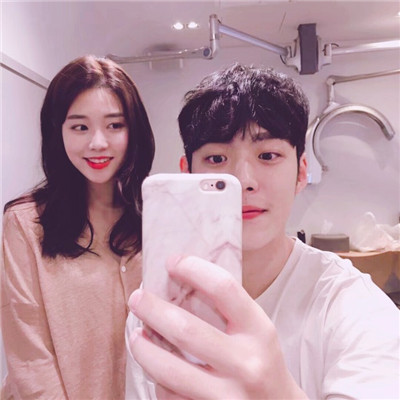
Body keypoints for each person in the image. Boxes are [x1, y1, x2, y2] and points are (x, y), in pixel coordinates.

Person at [125, 63, 399, 399]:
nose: (244, 181)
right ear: (188, 174)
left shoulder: (352, 306)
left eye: (268, 155)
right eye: (216, 159)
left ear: (301, 173)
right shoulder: (161, 308)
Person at [1, 55, 155, 399]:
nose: (97, 142)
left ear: (134, 130)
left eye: (115, 125)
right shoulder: (26, 223)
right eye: (80, 127)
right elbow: (30, 357)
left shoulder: (157, 218)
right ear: (58, 131)